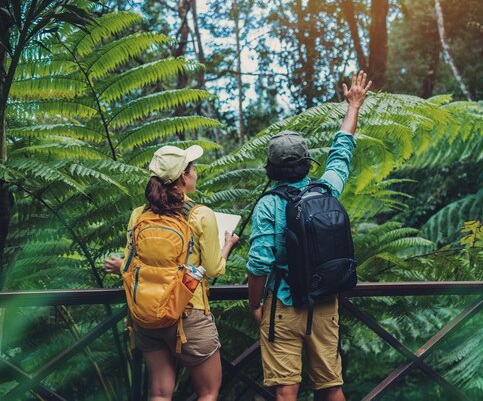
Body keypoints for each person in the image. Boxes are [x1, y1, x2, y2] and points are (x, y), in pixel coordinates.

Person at [247, 71, 371, 401]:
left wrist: (255, 304)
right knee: (331, 387)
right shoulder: (326, 190)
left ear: (271, 169)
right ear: (306, 164)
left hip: (283, 306)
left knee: (286, 391)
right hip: (325, 301)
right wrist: (354, 104)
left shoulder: (268, 205)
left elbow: (259, 264)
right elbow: (342, 150)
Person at [104, 145, 239, 401]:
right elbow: (212, 269)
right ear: (183, 177)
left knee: (160, 393)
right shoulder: (200, 215)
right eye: (193, 168)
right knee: (208, 392)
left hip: (146, 315)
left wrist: (120, 265)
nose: (195, 174)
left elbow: (133, 263)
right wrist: (227, 247)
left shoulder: (138, 215)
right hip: (188, 314)